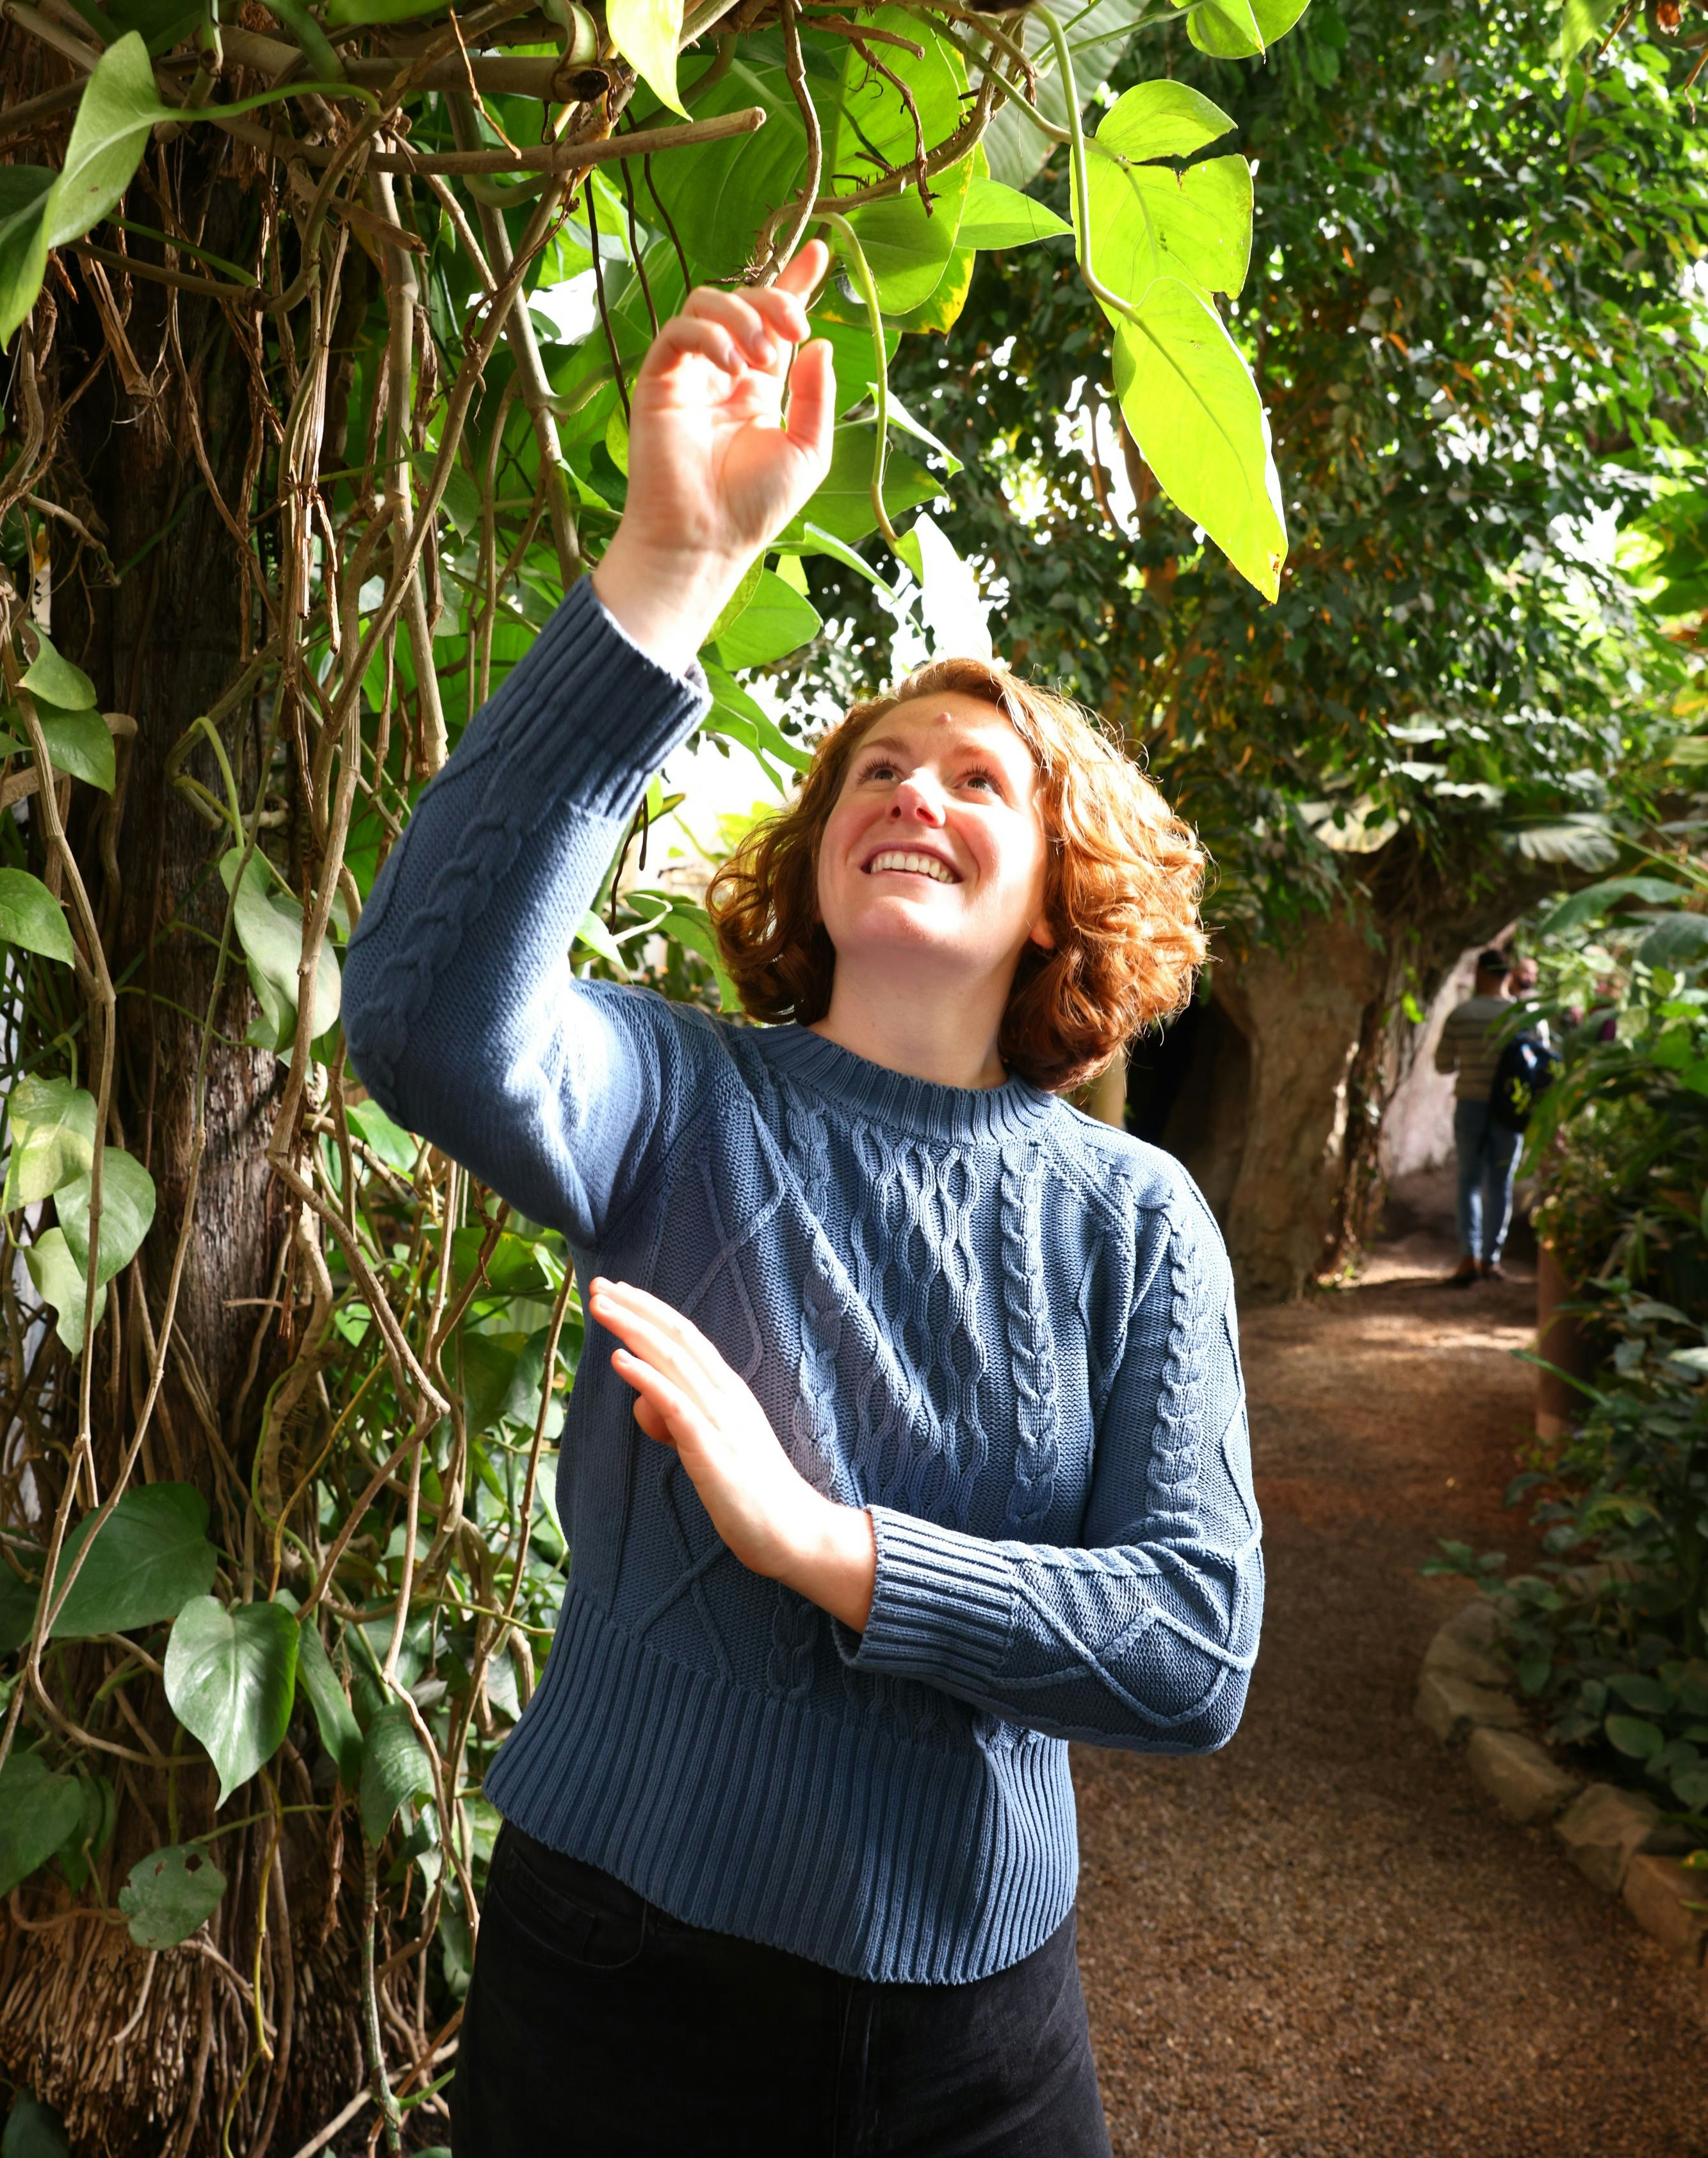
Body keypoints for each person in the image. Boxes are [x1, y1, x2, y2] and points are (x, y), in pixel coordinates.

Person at [343, 243, 1262, 2158]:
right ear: (818, 847)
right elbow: (425, 1014)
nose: (914, 789)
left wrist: (824, 1541)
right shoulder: (671, 1090)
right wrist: (669, 567)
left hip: (978, 2030)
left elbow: (1190, 1642)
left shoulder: (1134, 1216)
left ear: (1052, 901)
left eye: (978, 782)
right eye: (875, 766)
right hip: (619, 1975)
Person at [1435, 947, 1523, 1284]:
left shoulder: (1462, 1015)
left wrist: (1468, 1063)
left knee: (1469, 1182)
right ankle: (1492, 1260)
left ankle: (1467, 1258)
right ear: (1508, 975)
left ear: (1481, 974)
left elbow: (1443, 1065)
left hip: (1471, 1104)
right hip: (1509, 1110)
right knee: (1501, 1184)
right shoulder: (1524, 1015)